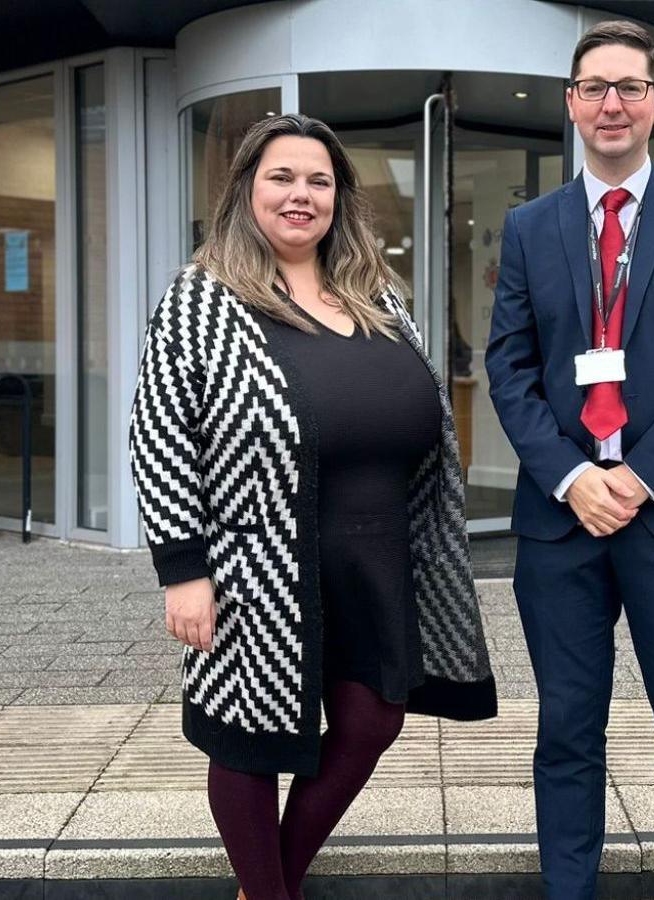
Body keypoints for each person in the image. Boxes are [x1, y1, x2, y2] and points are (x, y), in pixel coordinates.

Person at [129, 113, 496, 900]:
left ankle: (272, 882)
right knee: (252, 740)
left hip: (379, 554)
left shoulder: (379, 296)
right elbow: (159, 430)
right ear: (247, 192)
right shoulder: (202, 298)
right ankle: (268, 892)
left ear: (340, 197)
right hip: (257, 558)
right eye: (282, 178)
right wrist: (183, 569)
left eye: (318, 181)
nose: (301, 195)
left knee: (372, 723)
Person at [484, 20, 654, 900]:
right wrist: (572, 478)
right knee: (566, 730)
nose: (612, 103)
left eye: (629, 87)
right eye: (595, 87)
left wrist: (635, 479)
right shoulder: (529, 227)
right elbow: (509, 367)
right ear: (570, 103)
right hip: (561, 524)